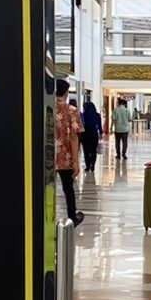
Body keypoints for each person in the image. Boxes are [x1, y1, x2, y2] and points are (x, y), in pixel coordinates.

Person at [55, 79, 85, 225]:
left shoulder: (45, 108)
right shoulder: (72, 111)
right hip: (65, 157)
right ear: (66, 93)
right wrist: (75, 161)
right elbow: (74, 137)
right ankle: (72, 216)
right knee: (68, 189)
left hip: (46, 157)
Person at [80, 93, 101, 174]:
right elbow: (99, 126)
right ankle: (93, 165)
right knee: (93, 151)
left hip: (85, 135)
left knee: (86, 151)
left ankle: (87, 165)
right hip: (94, 135)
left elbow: (81, 125)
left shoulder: (83, 115)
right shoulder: (97, 115)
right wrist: (101, 133)